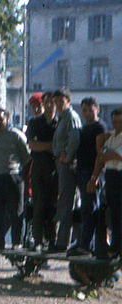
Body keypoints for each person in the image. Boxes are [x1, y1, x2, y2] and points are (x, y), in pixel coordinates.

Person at [0, 108, 30, 252]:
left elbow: (26, 156)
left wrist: (14, 168)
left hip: (13, 178)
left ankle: (16, 242)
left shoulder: (16, 135)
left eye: (1, 119)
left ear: (7, 119)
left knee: (16, 212)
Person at [69, 97, 106, 256]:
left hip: (91, 173)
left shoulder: (99, 127)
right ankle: (84, 243)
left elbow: (100, 154)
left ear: (97, 110)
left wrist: (94, 177)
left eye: (90, 110)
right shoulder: (84, 128)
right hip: (82, 171)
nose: (87, 113)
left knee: (90, 209)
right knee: (85, 209)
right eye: (84, 110)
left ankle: (87, 246)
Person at [26, 91, 58, 251]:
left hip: (55, 169)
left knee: (53, 207)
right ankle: (38, 241)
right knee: (38, 206)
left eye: (53, 102)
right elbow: (32, 144)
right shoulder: (34, 123)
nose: (50, 105)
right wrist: (50, 146)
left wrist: (44, 146)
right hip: (39, 168)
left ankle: (52, 240)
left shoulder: (59, 123)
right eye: (47, 102)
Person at [51, 87, 82, 252]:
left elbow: (75, 139)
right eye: (56, 102)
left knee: (66, 201)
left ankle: (63, 241)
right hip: (61, 163)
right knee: (67, 201)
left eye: (60, 101)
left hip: (67, 165)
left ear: (68, 101)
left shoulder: (70, 116)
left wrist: (68, 157)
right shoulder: (62, 117)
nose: (57, 104)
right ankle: (71, 240)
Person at [88, 108, 122, 259]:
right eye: (115, 121)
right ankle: (114, 246)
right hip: (111, 176)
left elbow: (116, 155)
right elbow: (101, 155)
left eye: (120, 121)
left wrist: (107, 155)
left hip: (120, 175)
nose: (117, 124)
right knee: (113, 213)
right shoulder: (112, 137)